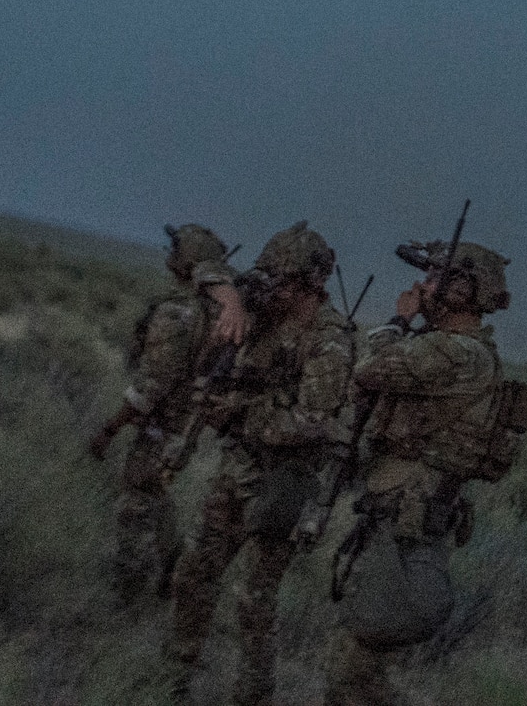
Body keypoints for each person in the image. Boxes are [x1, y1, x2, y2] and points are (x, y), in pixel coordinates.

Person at [165, 222, 357, 706]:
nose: (271, 289)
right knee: (194, 573)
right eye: (268, 278)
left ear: (310, 284)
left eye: (283, 281)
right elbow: (204, 268)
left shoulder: (329, 342)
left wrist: (239, 411)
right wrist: (229, 299)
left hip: (282, 481)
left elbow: (311, 423)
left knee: (254, 603)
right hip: (239, 467)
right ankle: (173, 679)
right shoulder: (262, 313)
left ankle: (253, 695)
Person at [325, 240, 520, 706]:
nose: (422, 286)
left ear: (462, 290)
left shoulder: (458, 352)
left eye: (435, 278)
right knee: (359, 663)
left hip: (405, 518)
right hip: (397, 512)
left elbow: (371, 368)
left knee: (355, 660)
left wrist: (398, 320)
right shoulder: (449, 348)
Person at [88, 223, 244, 603]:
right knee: (154, 493)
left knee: (136, 502)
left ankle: (127, 594)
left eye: (175, 251)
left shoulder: (181, 313)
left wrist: (110, 428)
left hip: (164, 424)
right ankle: (173, 564)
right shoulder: (219, 312)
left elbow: (151, 387)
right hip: (185, 425)